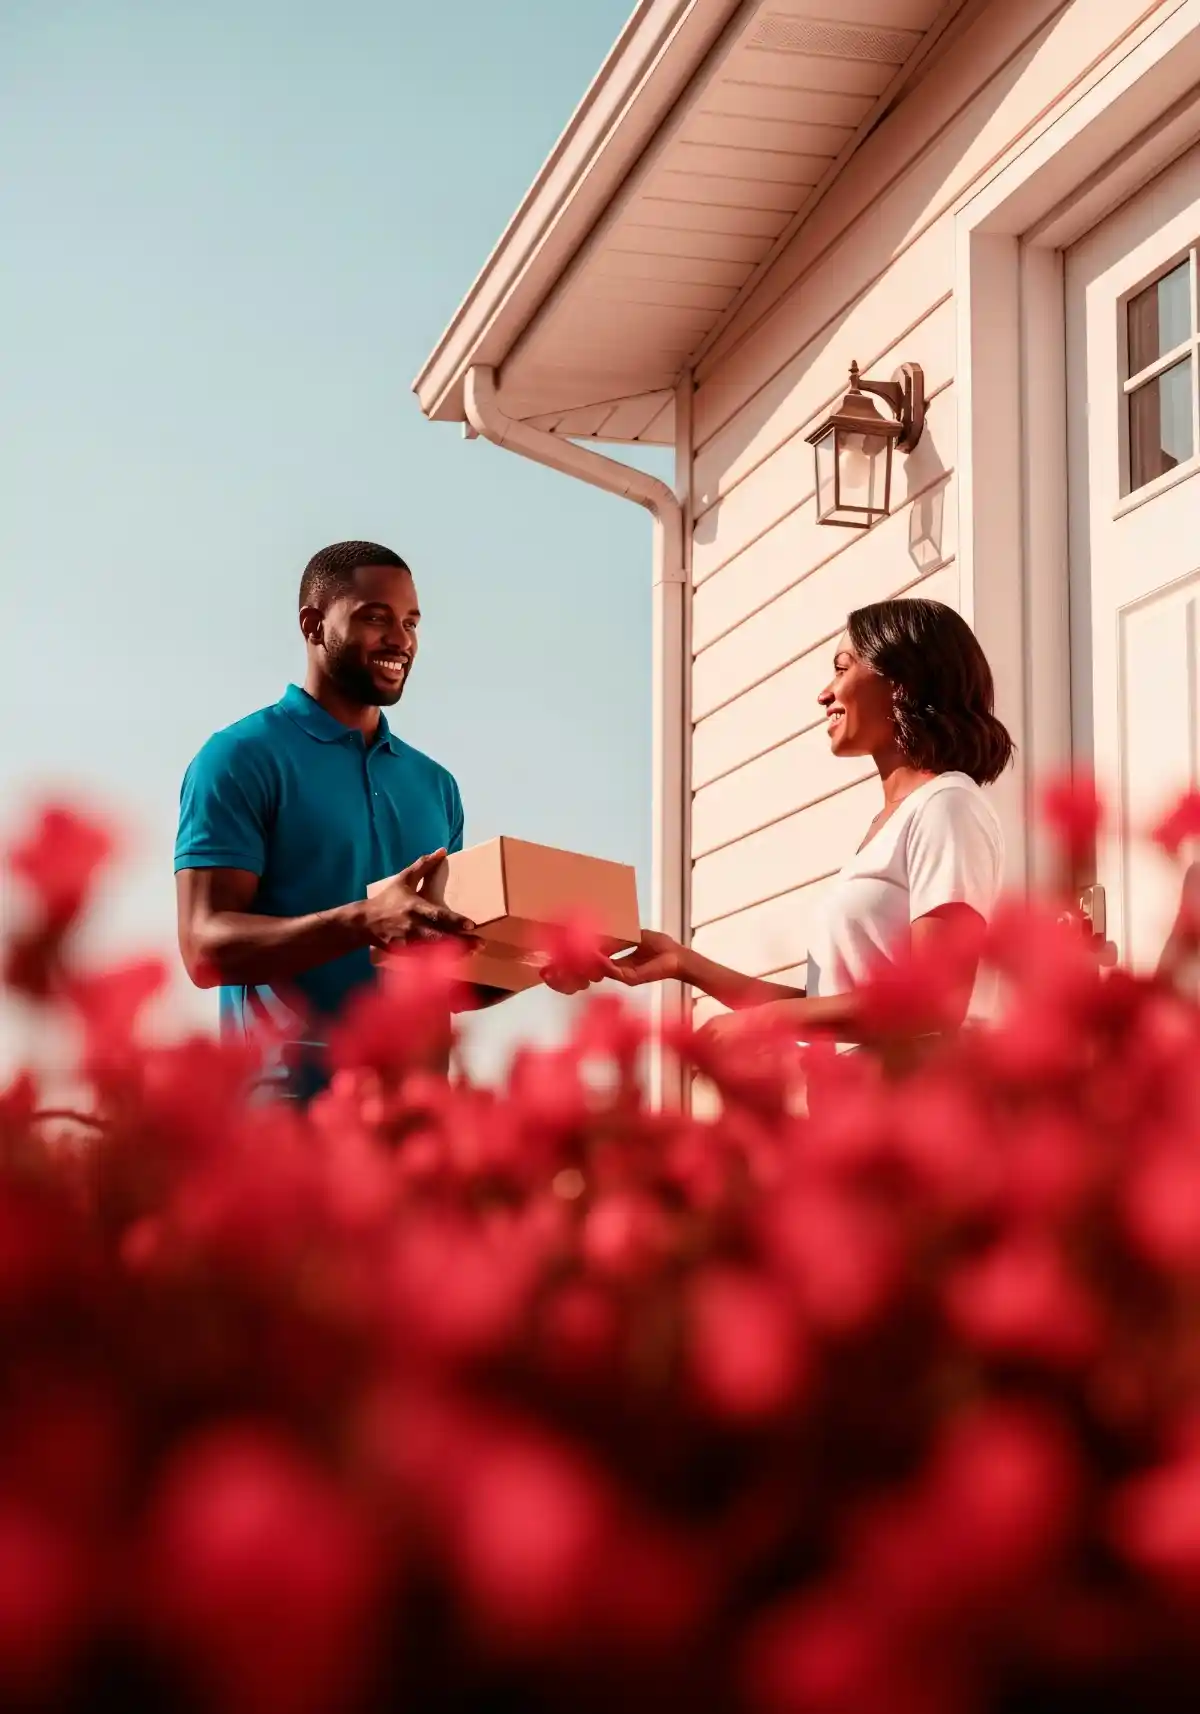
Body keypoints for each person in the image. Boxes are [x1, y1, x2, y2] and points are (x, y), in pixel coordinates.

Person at [174, 540, 579, 1100]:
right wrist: (364, 920)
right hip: (284, 1112)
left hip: (413, 1122)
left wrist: (537, 962)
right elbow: (203, 948)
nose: (402, 639)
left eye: (411, 622)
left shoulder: (436, 786)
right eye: (376, 617)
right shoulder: (240, 758)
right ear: (313, 626)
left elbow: (439, 982)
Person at [611, 599, 1013, 1053]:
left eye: (842, 669)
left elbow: (934, 1000)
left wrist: (770, 1021)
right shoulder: (893, 823)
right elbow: (827, 1007)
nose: (825, 693)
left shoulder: (947, 804)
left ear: (900, 683)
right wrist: (683, 963)